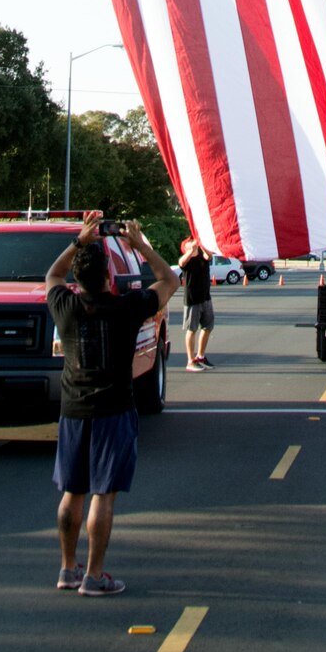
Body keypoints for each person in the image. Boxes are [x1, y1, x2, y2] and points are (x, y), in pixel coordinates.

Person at [45, 216, 178, 597]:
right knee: (103, 494)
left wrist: (77, 241)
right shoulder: (127, 307)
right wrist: (139, 245)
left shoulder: (64, 305)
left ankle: (68, 569)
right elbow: (170, 281)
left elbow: (52, 275)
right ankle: (96, 575)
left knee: (72, 492)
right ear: (108, 278)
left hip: (73, 411)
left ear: (78, 280)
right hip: (113, 411)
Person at [178, 236, 217, 371]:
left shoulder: (202, 258)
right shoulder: (187, 262)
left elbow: (209, 255)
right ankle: (190, 360)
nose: (193, 244)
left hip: (206, 298)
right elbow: (181, 262)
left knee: (208, 327)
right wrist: (190, 250)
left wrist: (202, 245)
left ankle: (200, 356)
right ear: (186, 248)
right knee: (192, 329)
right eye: (190, 243)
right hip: (192, 300)